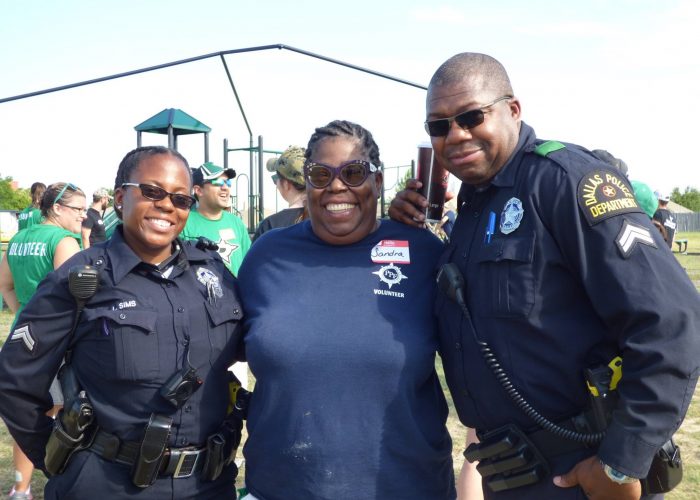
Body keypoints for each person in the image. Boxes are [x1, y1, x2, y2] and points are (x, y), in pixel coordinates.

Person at [389, 52, 700, 499]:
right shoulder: (475, 206)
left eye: (471, 116)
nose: (455, 135)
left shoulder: (562, 181)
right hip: (511, 472)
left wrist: (620, 463)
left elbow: (671, 322)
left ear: (513, 110)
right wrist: (405, 232)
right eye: (438, 126)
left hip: (582, 473)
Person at [0, 146, 244, 499]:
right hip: (110, 484)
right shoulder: (81, 279)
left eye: (180, 198)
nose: (166, 205)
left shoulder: (213, 273)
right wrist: (57, 456)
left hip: (209, 484)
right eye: (152, 192)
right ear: (119, 198)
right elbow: (14, 380)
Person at [237, 120, 455, 500]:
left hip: (406, 489)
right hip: (281, 489)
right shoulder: (267, 255)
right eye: (320, 175)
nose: (337, 186)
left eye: (354, 173)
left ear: (379, 181)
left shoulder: (424, 253)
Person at [0, 182, 86, 500]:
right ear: (58, 208)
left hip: (24, 336)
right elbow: (76, 297)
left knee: (25, 413)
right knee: (59, 412)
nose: (83, 215)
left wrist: (24, 313)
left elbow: (4, 285)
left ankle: (20, 487)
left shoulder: (20, 237)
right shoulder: (63, 241)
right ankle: (59, 476)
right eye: (77, 209)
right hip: (54, 341)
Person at [180, 161, 251, 276]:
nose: (225, 188)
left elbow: (249, 264)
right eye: (218, 182)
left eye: (227, 182)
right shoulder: (183, 222)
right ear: (198, 190)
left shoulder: (236, 222)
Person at [252, 145, 307, 241]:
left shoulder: (270, 226)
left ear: (286, 184)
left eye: (275, 179)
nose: (276, 185)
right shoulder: (329, 219)